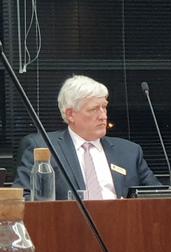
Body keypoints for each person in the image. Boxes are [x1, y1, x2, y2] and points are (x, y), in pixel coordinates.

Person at [13, 75, 160, 200]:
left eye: (104, 107)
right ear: (70, 114)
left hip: (122, 228)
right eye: (94, 109)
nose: (103, 115)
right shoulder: (45, 148)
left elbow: (159, 196)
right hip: (66, 228)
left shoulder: (129, 152)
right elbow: (23, 198)